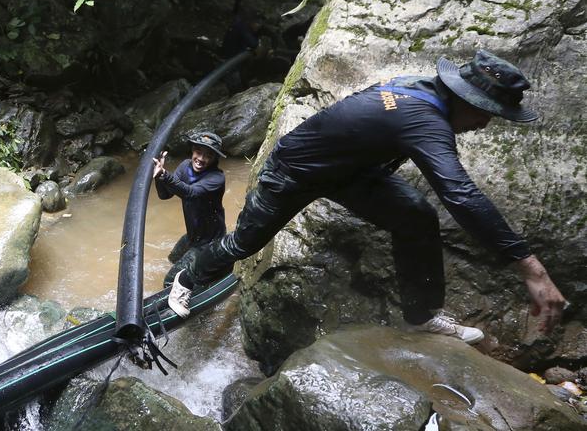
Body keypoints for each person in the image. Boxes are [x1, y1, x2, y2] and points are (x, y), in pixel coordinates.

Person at [166, 50, 567, 344]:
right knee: (245, 242)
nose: (482, 123)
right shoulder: (422, 117)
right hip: (291, 172)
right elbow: (460, 193)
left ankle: (420, 315)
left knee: (415, 213)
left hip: (349, 174)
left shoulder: (421, 88)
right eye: (484, 112)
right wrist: (533, 270)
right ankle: (187, 275)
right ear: (463, 98)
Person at [153, 131, 228, 288]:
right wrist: (159, 177)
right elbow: (165, 195)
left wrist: (165, 175)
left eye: (207, 155)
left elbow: (191, 193)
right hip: (194, 236)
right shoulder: (185, 167)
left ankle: (184, 299)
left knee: (170, 281)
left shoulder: (216, 178)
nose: (200, 159)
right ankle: (196, 278)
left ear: (215, 159)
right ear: (193, 151)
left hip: (209, 241)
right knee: (173, 258)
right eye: (198, 152)